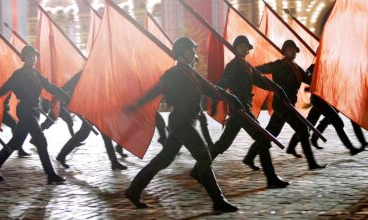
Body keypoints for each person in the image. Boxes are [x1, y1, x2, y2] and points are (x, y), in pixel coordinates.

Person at [124, 37, 240, 212]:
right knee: (204, 157)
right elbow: (155, 90)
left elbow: (212, 90)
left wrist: (232, 98)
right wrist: (136, 105)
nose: (194, 53)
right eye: (190, 50)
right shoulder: (173, 74)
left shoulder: (191, 73)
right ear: (181, 53)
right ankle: (218, 201)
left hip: (187, 121)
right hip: (181, 121)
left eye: (193, 50)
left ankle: (133, 190)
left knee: (164, 159)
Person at [191, 35, 290, 188]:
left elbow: (262, 80)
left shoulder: (246, 66)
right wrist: (220, 94)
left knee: (223, 143)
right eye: (241, 46)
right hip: (240, 109)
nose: (244, 48)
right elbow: (223, 83)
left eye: (246, 46)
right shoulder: (233, 66)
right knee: (263, 139)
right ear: (236, 48)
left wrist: (278, 89)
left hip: (243, 109)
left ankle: (198, 169)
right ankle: (271, 178)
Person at [0, 45, 68, 184]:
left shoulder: (36, 73)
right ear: (23, 57)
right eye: (30, 55)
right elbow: (3, 89)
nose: (33, 58)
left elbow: (49, 86)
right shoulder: (18, 74)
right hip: (25, 110)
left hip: (34, 111)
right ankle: (51, 175)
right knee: (41, 141)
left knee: (17, 141)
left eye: (34, 55)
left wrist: (65, 95)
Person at [243, 40, 326, 170]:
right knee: (303, 129)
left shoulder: (296, 67)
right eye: (289, 49)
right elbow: (260, 69)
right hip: (281, 104)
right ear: (284, 51)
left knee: (271, 132)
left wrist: (320, 71)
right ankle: (311, 163)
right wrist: (248, 69)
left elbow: (309, 79)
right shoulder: (278, 64)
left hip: (288, 104)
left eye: (294, 50)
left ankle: (249, 157)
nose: (292, 52)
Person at [286, 64, 362, 156]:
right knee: (337, 122)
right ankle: (351, 148)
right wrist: (313, 79)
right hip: (318, 100)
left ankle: (291, 147)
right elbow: (305, 79)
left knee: (309, 124)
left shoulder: (333, 66)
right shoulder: (314, 66)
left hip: (326, 100)